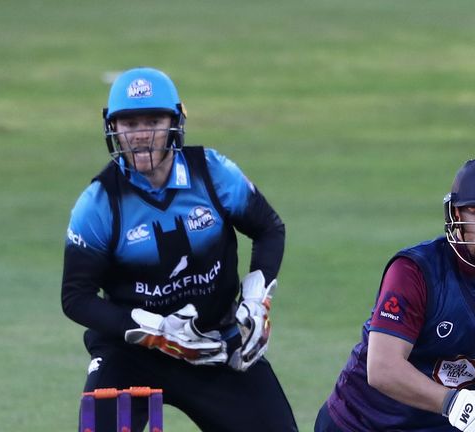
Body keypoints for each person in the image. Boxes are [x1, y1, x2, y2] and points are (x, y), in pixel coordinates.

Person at [61, 67, 298, 431]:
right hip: (131, 353)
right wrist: (153, 330)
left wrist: (256, 299)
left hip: (213, 345)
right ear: (113, 128)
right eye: (130, 123)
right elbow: (76, 297)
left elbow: (268, 229)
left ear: (175, 122)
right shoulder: (99, 202)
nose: (141, 134)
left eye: (153, 121)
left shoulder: (213, 173)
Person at [315, 157, 475, 432]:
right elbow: (382, 369)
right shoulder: (414, 272)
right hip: (361, 424)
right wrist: (452, 402)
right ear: (456, 215)